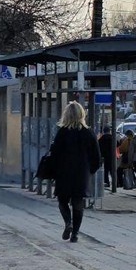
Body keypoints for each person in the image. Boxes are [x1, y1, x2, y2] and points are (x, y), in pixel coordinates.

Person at [48, 101, 101, 243]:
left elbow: (54, 154)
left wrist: (54, 172)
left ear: (66, 115)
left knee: (62, 201)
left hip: (64, 173)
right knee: (78, 203)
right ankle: (75, 234)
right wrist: (90, 170)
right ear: (82, 114)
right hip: (81, 174)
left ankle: (68, 223)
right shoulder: (88, 133)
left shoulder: (62, 133)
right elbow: (96, 156)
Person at [97, 126, 116, 192]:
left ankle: (107, 182)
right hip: (112, 156)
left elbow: (98, 147)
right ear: (109, 131)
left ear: (103, 131)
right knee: (112, 170)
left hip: (105, 156)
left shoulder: (101, 139)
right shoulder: (112, 138)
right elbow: (117, 145)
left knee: (106, 170)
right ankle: (115, 182)